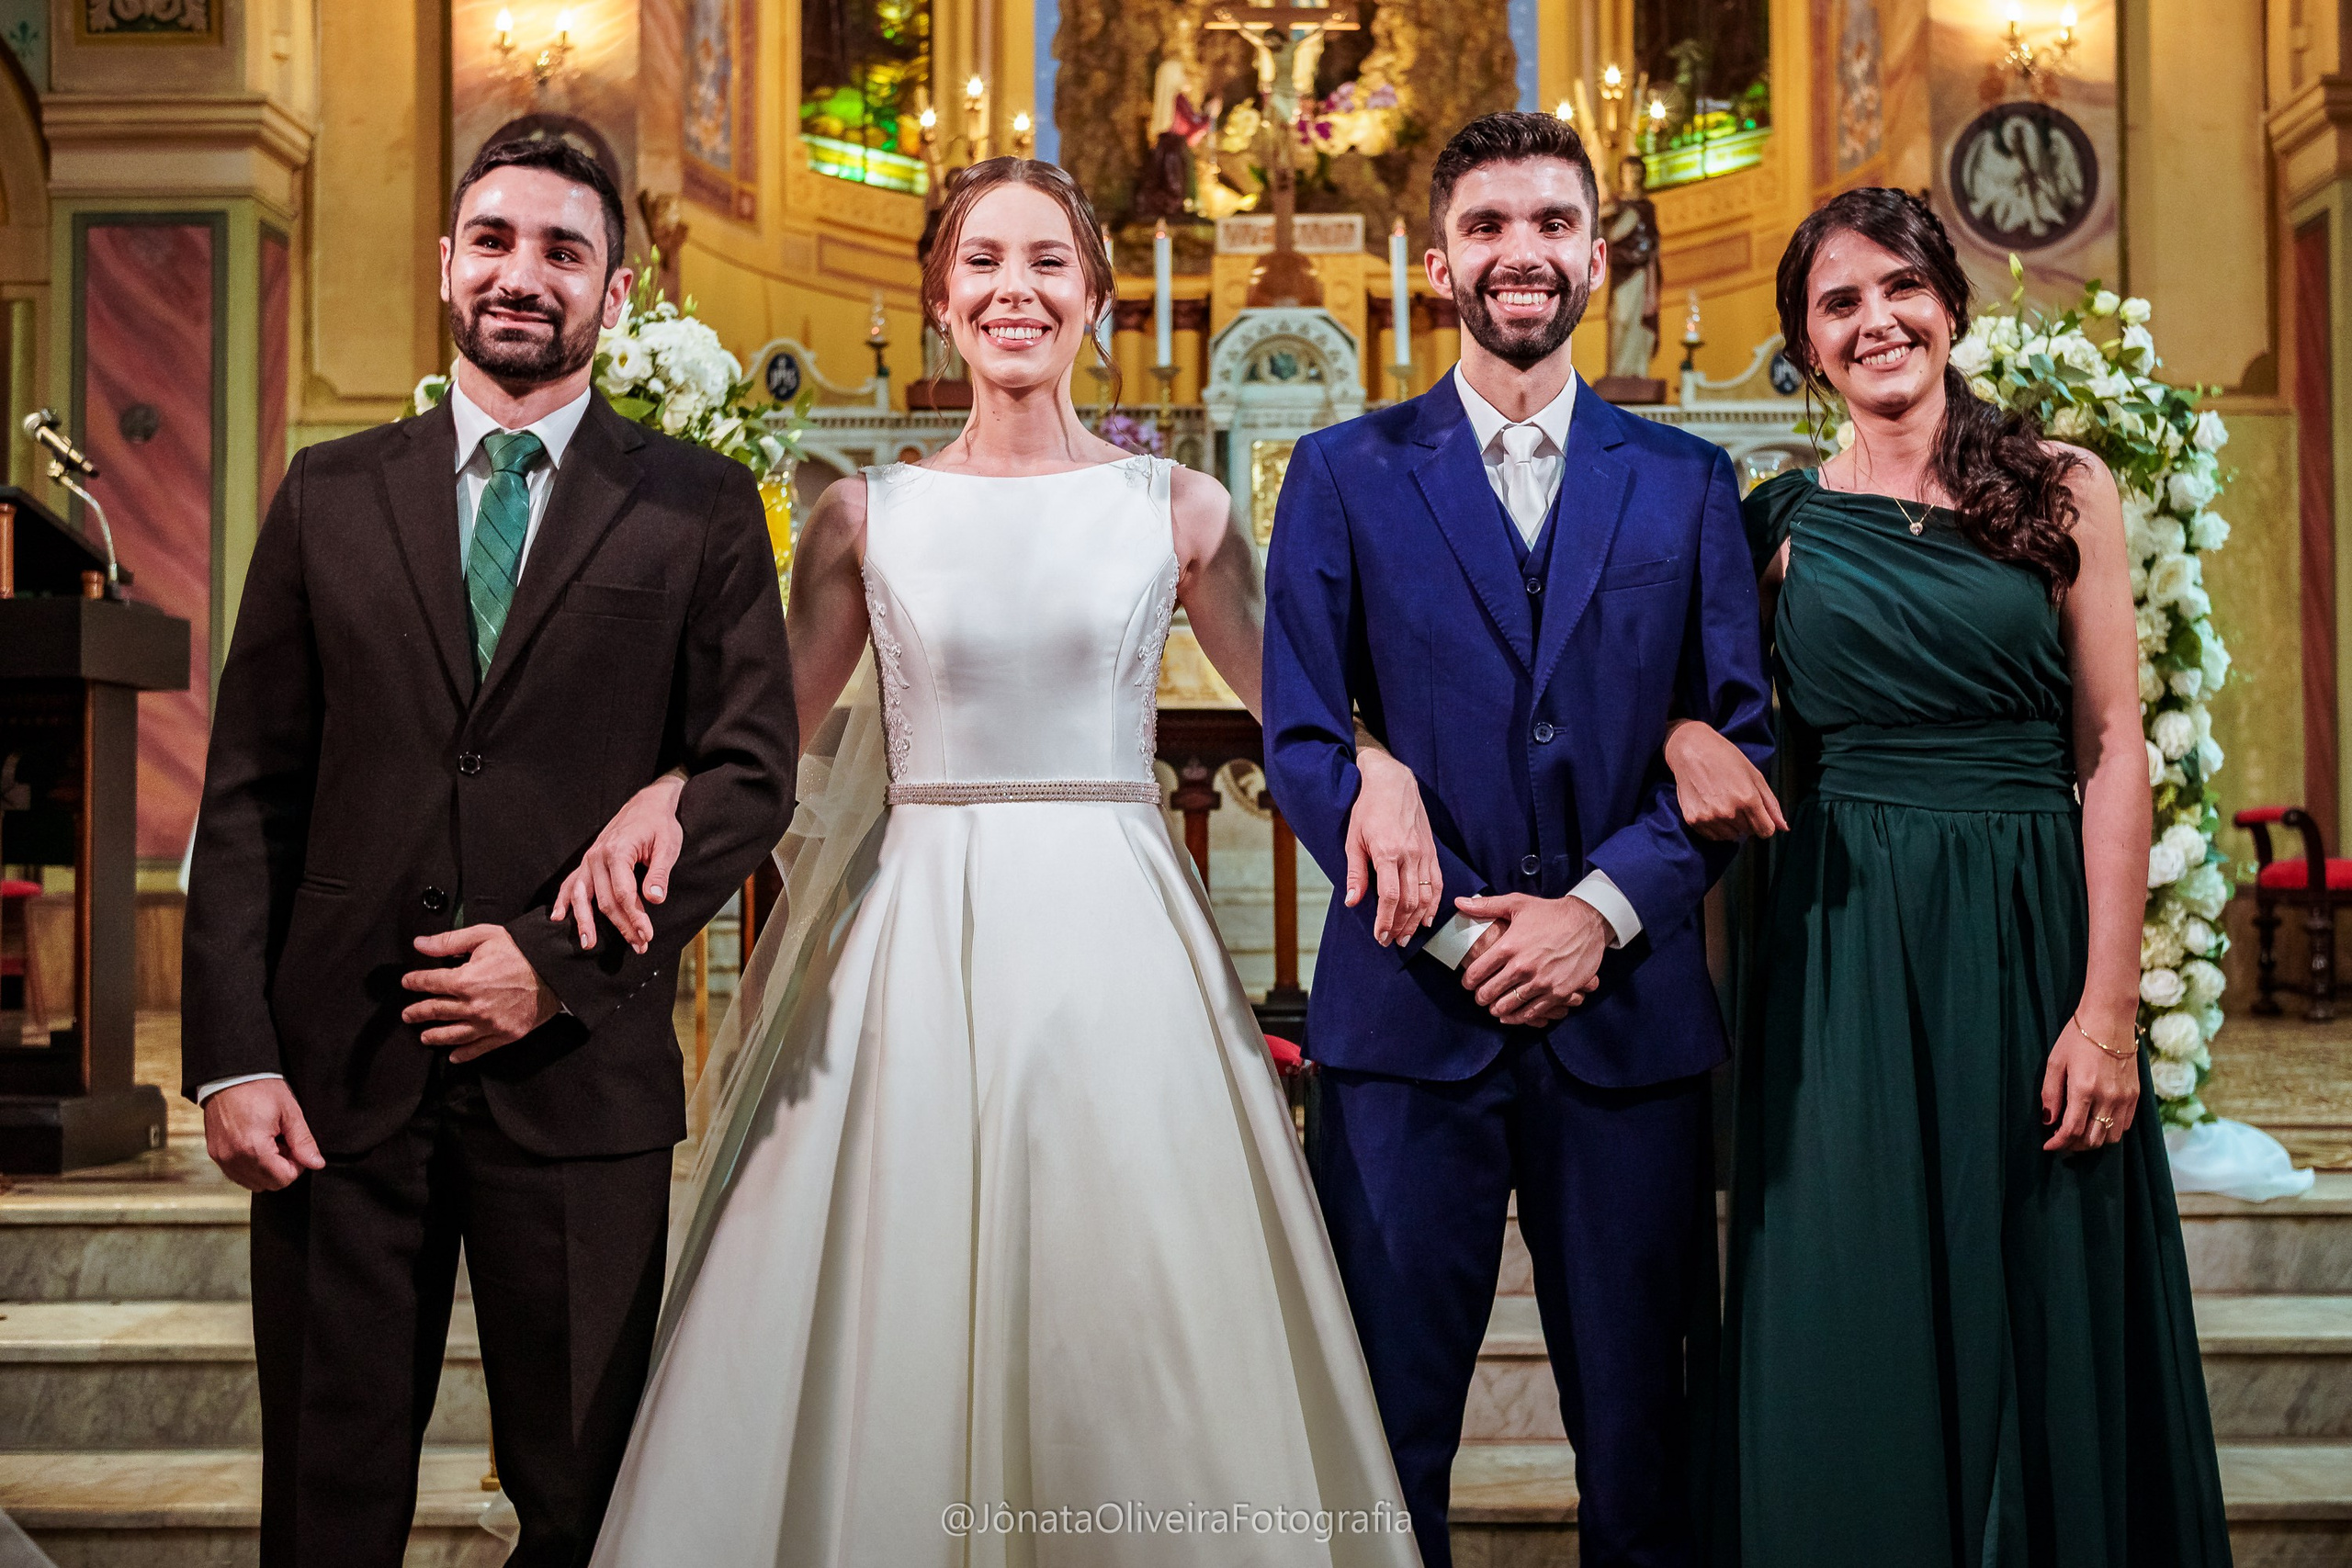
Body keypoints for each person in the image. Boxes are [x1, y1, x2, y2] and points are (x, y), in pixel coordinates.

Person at [559, 156, 1426, 1566]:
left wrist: (1379, 765)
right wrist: (668, 789)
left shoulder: (1181, 511)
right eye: (982, 265)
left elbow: (1300, 709)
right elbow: (766, 730)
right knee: (898, 1273)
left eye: (1045, 264)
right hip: (920, 927)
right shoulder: (863, 516)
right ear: (940, 302)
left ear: (1093, 297)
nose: (1014, 290)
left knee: (1131, 1282)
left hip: (1118, 927)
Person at [179, 137, 797, 1566]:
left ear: (615, 293)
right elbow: (250, 792)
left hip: (578, 1083)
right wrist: (233, 1052)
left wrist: (557, 961)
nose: (525, 274)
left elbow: (750, 774)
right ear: (448, 263)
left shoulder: (697, 507)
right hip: (335, 1079)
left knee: (581, 1505)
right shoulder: (329, 493)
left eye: (564, 252)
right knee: (326, 1508)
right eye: (497, 240)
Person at [1661, 186, 2231, 1564]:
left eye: (1899, 289)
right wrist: (1684, 733)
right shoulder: (1779, 520)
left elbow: (2109, 753)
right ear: (1804, 347)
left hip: (2032, 924)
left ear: (1951, 305)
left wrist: (2107, 1011)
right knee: (1847, 1278)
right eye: (1838, 305)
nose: (1877, 323)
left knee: (2037, 1280)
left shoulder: (2065, 487)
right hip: (1848, 947)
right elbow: (1698, 706)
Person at [1261, 112, 1775, 1568]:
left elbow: (1744, 742)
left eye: (1552, 223)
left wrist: (1598, 914)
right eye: (1487, 227)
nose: (1521, 253)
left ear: (1595, 256)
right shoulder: (1345, 474)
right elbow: (1300, 736)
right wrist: (1445, 919)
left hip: (1630, 1029)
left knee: (1642, 1435)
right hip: (1409, 1021)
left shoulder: (1683, 482)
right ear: (1437, 264)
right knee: (1389, 1425)